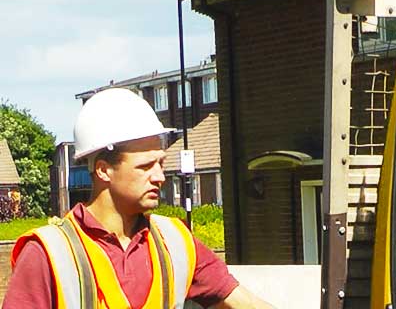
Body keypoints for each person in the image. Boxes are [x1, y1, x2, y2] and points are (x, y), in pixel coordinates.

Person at [3, 88, 274, 309]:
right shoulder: (48, 253)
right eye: (145, 166)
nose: (160, 177)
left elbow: (243, 303)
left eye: (160, 163)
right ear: (103, 169)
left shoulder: (175, 241)